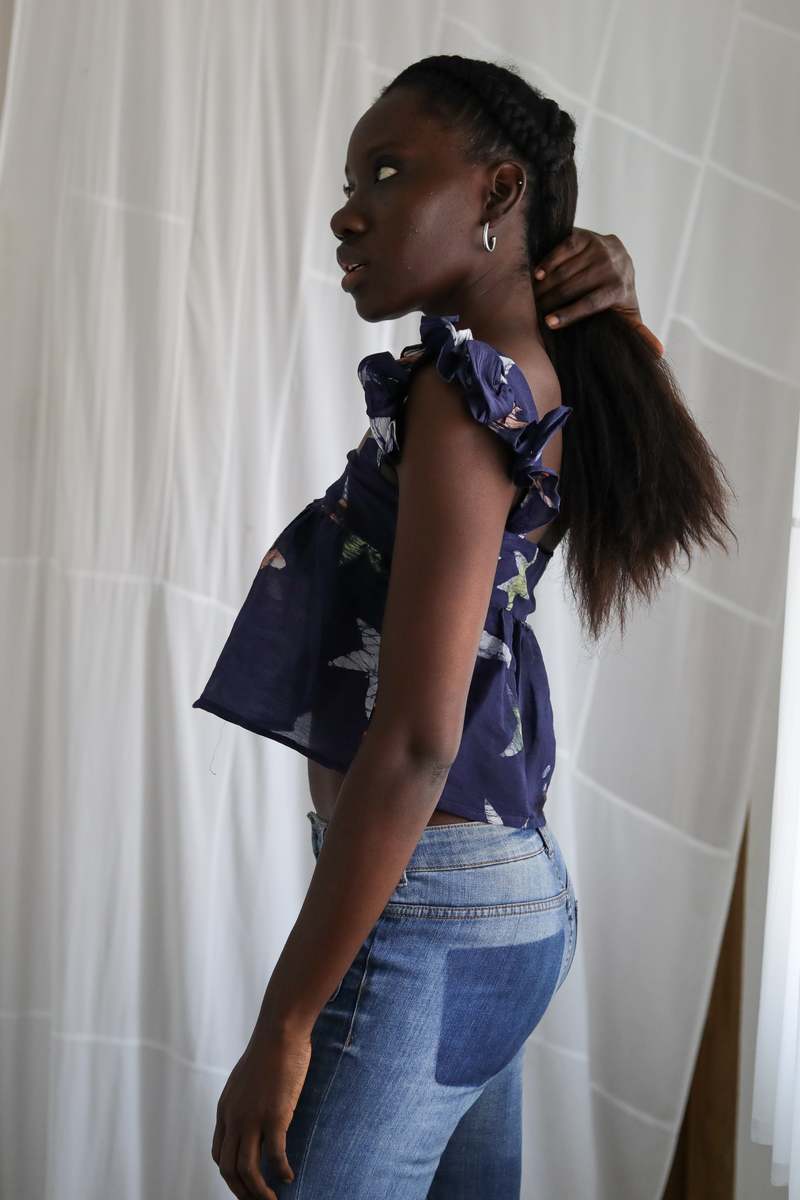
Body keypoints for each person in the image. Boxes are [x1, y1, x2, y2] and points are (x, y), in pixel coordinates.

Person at [204, 54, 736, 1200]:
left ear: (497, 192)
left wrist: (283, 1025)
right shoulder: (529, 372)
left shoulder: (464, 393)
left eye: (389, 174)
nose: (349, 212)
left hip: (427, 910)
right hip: (497, 900)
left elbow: (414, 741)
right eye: (350, 182)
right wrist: (610, 291)